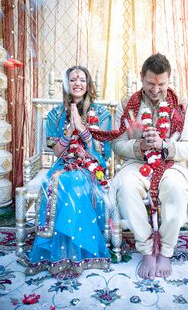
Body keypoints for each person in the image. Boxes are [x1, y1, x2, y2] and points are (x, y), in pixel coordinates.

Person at [111, 53, 188, 280]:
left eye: (161, 84)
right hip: (137, 163)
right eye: (150, 83)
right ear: (141, 78)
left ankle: (166, 250)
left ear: (169, 80)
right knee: (126, 187)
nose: (156, 90)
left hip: (171, 163)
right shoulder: (127, 104)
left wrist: (165, 145)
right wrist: (140, 146)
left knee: (176, 188)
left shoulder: (183, 106)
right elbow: (117, 144)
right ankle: (146, 249)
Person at [25, 65, 112, 278]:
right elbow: (57, 152)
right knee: (57, 182)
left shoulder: (100, 113)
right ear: (66, 84)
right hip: (64, 163)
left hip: (92, 166)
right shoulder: (56, 114)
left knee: (73, 183)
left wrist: (82, 128)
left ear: (88, 84)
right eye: (72, 79)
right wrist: (70, 130)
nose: (77, 83)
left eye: (82, 79)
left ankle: (77, 255)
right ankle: (60, 256)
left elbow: (102, 152)